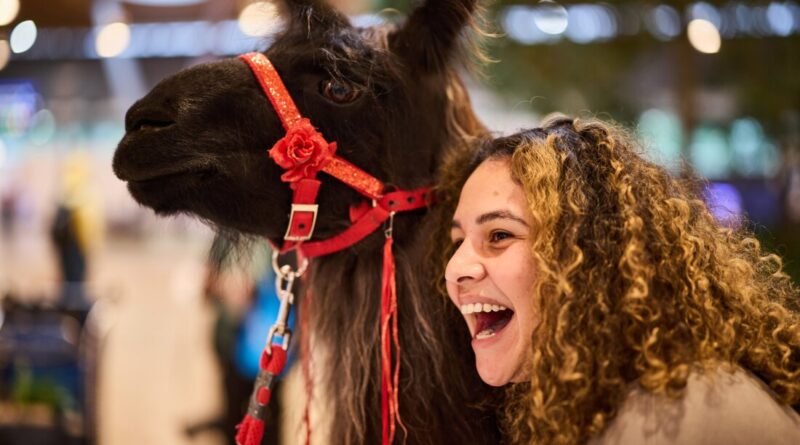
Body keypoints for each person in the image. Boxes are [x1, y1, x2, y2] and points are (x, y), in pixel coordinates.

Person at [443, 116, 800, 445]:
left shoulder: (676, 416)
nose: (456, 268)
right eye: (458, 242)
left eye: (500, 235)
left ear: (588, 253)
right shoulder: (596, 401)